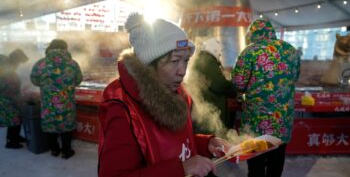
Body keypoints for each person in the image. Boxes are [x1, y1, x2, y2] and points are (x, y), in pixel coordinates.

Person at [98, 13, 233, 177]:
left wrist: (207, 143)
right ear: (150, 65)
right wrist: (181, 169)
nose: (182, 72)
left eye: (185, 61)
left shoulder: (178, 92)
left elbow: (176, 142)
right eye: (175, 61)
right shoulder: (123, 107)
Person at [231, 19, 300, 177]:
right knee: (277, 159)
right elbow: (295, 77)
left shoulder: (250, 51)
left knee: (256, 161)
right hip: (282, 119)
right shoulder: (291, 50)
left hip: (257, 119)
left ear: (253, 33)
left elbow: (238, 83)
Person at [30, 39, 83, 159]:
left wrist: (46, 86)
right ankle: (66, 151)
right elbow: (78, 79)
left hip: (49, 102)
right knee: (67, 125)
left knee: (50, 124)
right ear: (65, 48)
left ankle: (54, 150)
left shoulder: (41, 64)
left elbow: (34, 79)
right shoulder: (72, 64)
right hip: (66, 101)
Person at [186, 38, 237, 133]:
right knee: (214, 137)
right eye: (220, 52)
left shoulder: (200, 59)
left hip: (202, 108)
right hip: (210, 109)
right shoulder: (208, 61)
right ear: (215, 50)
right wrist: (235, 89)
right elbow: (219, 85)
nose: (220, 55)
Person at [0, 49, 28, 149]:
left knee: (17, 117)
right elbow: (5, 84)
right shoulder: (4, 69)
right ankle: (10, 141)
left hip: (11, 97)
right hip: (5, 98)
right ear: (15, 60)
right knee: (13, 118)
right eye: (19, 62)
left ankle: (15, 136)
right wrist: (14, 91)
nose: (19, 65)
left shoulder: (9, 68)